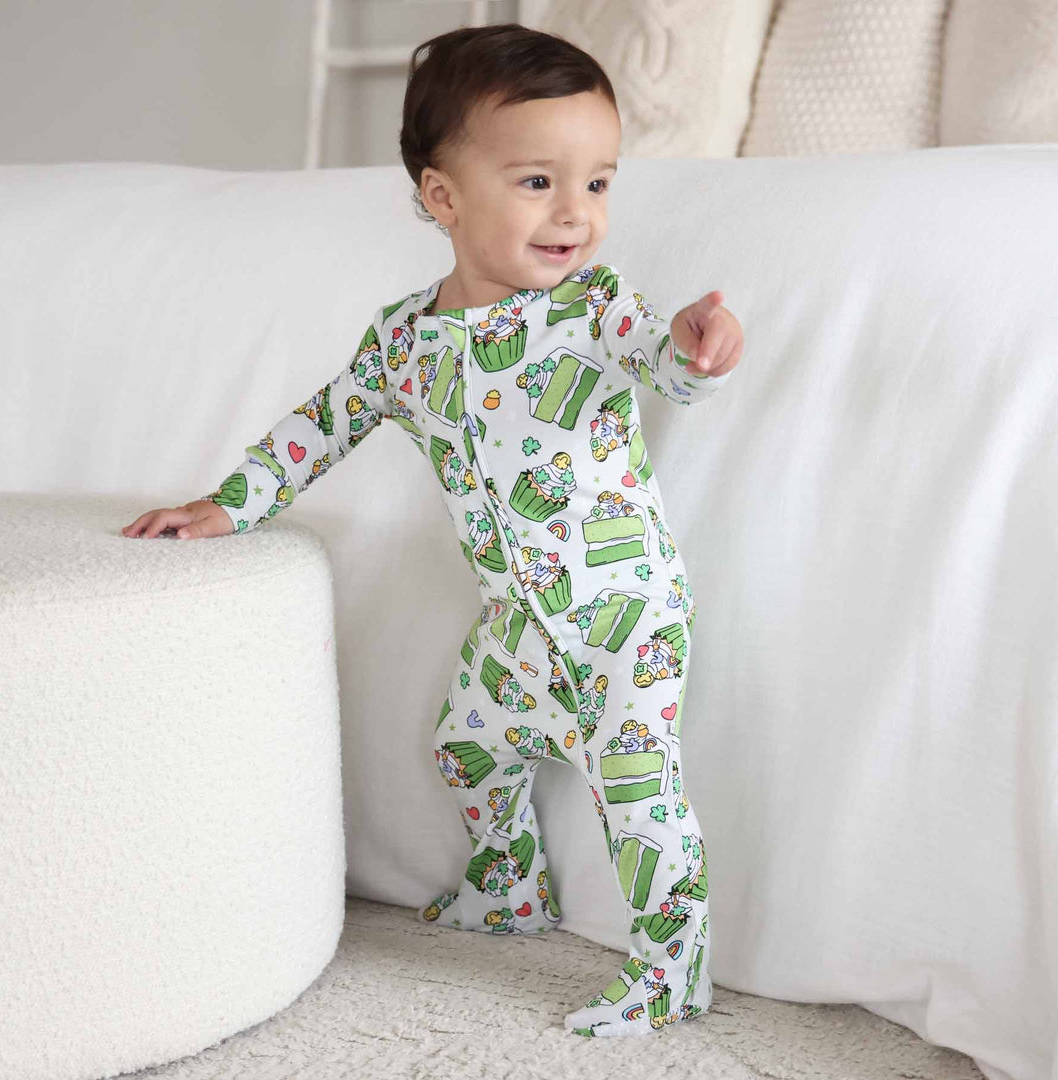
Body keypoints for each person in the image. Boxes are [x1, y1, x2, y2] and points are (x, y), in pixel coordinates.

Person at [122, 22, 744, 1038]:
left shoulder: (594, 309)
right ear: (442, 198)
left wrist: (696, 351)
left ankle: (673, 973)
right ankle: (509, 890)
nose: (577, 216)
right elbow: (324, 422)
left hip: (622, 616)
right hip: (521, 625)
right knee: (465, 744)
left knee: (639, 801)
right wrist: (230, 502)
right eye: (540, 182)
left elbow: (661, 361)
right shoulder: (404, 342)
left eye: (599, 184)